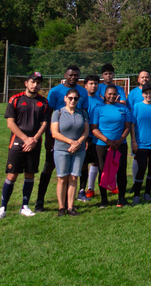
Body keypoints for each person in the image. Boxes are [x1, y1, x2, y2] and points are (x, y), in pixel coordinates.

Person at [0, 72, 49, 220]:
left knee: (30, 174)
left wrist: (34, 139)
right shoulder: (15, 99)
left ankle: (25, 206)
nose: (35, 85)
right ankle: (2, 207)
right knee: (12, 175)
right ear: (26, 83)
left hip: (34, 144)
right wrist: (26, 139)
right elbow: (10, 123)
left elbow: (44, 123)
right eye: (32, 82)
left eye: (38, 83)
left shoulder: (43, 102)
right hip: (18, 143)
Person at [37, 65, 88, 211]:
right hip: (57, 138)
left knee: (73, 173)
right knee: (49, 168)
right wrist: (48, 138)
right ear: (65, 75)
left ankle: (68, 204)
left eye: (76, 75)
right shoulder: (55, 91)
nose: (73, 77)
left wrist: (83, 140)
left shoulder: (82, 91)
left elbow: (84, 115)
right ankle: (40, 200)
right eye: (70, 75)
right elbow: (49, 115)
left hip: (76, 140)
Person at [90, 85, 132, 208]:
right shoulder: (98, 109)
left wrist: (120, 140)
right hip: (102, 145)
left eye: (114, 94)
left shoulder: (123, 109)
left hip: (120, 145)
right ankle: (104, 200)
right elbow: (94, 129)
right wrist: (108, 141)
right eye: (109, 94)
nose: (112, 96)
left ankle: (122, 199)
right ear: (103, 95)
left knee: (121, 171)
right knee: (103, 171)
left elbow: (127, 127)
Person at [50, 88, 90, 216]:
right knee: (62, 178)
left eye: (75, 98)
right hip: (62, 150)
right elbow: (55, 133)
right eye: (70, 98)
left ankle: (70, 207)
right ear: (65, 99)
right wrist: (71, 142)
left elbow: (86, 132)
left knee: (74, 177)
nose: (73, 100)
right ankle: (61, 207)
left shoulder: (82, 113)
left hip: (79, 150)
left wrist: (78, 143)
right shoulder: (58, 113)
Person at [77, 74, 103, 202]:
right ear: (85, 85)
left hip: (97, 137)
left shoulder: (101, 100)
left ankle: (90, 188)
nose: (93, 86)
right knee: (82, 164)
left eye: (96, 84)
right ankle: (81, 189)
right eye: (91, 83)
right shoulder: (80, 99)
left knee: (96, 162)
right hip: (83, 136)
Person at [126, 69, 151, 184]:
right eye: (142, 77)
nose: (144, 79)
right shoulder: (132, 93)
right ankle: (136, 182)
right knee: (137, 157)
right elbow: (130, 111)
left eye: (146, 77)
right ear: (138, 79)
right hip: (138, 130)